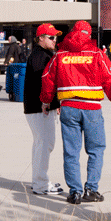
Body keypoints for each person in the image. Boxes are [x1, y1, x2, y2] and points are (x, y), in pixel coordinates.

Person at [39, 20, 111, 205]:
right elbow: (110, 78)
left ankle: (75, 192)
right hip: (92, 109)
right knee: (96, 150)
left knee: (71, 152)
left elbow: (48, 78)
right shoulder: (97, 53)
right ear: (89, 34)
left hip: (69, 108)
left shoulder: (61, 54)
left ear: (72, 33)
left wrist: (46, 101)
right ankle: (91, 190)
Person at [23, 23, 64, 196]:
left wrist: (55, 103)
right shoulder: (41, 56)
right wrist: (48, 103)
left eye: (56, 37)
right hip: (40, 107)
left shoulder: (42, 54)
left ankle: (38, 180)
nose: (55, 40)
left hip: (38, 106)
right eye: (51, 37)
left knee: (40, 144)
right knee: (45, 143)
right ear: (41, 38)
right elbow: (43, 82)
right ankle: (40, 184)